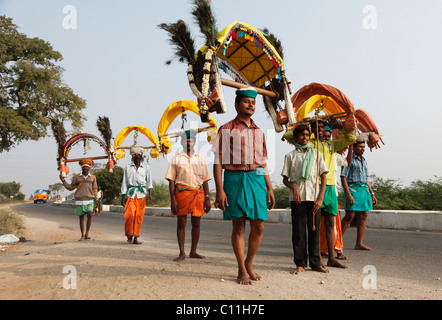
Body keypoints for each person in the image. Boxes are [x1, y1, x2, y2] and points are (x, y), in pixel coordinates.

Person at [212, 87, 275, 285]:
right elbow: (218, 161)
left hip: (256, 179)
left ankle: (249, 262)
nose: (251, 105)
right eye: (247, 101)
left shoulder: (259, 132)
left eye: (253, 102)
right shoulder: (226, 128)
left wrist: (270, 187)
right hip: (234, 178)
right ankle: (241, 269)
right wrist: (219, 190)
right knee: (238, 226)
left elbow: (262, 162)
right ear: (237, 104)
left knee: (259, 225)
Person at [285, 118, 355, 269]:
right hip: (312, 189)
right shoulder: (309, 145)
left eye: (322, 126)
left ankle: (329, 257)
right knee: (306, 228)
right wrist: (300, 125)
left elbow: (351, 138)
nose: (320, 129)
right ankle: (305, 262)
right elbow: (291, 136)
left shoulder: (330, 145)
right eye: (316, 126)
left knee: (327, 224)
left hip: (328, 187)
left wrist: (339, 126)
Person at [282, 124, 329, 274]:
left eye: (307, 135)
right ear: (295, 137)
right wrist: (293, 187)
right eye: (301, 135)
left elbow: (323, 177)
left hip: (314, 198)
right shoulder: (290, 156)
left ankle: (316, 263)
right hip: (298, 199)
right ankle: (300, 263)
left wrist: (320, 199)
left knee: (314, 232)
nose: (305, 137)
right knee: (299, 232)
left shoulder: (316, 154)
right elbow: (285, 179)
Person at [166, 130, 212, 262]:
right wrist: (172, 199)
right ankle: (182, 252)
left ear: (194, 142)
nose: (188, 142)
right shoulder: (176, 159)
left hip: (198, 193)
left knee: (196, 223)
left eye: (190, 140)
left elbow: (205, 180)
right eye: (185, 140)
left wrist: (207, 198)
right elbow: (171, 180)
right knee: (181, 223)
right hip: (182, 193)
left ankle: (193, 251)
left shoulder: (200, 158)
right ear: (181, 142)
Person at [340, 137, 378, 251]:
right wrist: (348, 194)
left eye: (363, 147)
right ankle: (336, 241)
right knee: (350, 216)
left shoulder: (364, 160)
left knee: (363, 216)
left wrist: (372, 193)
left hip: (364, 190)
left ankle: (359, 243)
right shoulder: (349, 159)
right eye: (360, 147)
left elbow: (366, 179)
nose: (362, 149)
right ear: (354, 147)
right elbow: (343, 177)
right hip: (353, 189)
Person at [60, 159, 99, 241]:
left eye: (87, 167)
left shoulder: (92, 177)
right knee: (81, 218)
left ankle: (87, 233)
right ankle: (82, 235)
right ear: (81, 168)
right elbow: (70, 187)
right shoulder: (77, 177)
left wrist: (97, 200)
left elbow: (95, 189)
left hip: (90, 200)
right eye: (84, 167)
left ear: (89, 168)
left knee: (90, 215)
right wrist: (63, 181)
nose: (85, 168)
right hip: (80, 200)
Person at [121, 147, 153, 245]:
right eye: (134, 155)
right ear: (132, 156)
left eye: (138, 155)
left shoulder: (146, 167)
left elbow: (149, 182)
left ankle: (135, 237)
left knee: (139, 216)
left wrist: (150, 194)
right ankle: (129, 234)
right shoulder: (127, 167)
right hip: (131, 194)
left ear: (142, 156)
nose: (136, 157)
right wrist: (123, 196)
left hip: (141, 194)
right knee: (130, 215)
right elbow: (124, 182)